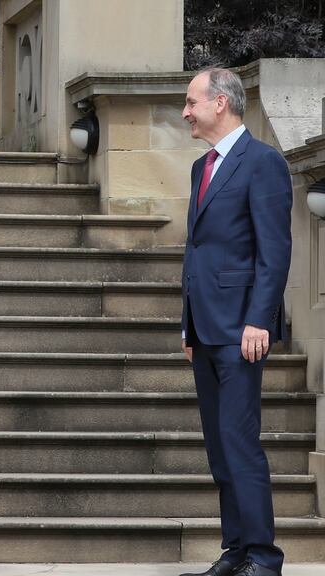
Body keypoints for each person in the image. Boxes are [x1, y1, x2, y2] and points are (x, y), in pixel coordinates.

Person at [179, 68, 291, 576]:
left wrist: (259, 320)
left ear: (220, 102)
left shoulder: (263, 162)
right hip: (204, 330)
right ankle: (237, 550)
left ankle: (264, 558)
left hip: (242, 330)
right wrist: (186, 324)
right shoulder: (203, 165)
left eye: (191, 102)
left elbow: (275, 251)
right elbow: (195, 252)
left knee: (240, 443)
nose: (186, 112)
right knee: (219, 448)